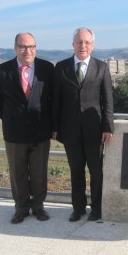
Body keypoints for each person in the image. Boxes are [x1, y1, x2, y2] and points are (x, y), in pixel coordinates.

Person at [0, 32, 54, 224]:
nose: (28, 51)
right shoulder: (2, 70)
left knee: (39, 171)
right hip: (14, 132)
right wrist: (10, 117)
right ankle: (21, 208)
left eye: (32, 46)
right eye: (23, 47)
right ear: (15, 48)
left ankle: (38, 206)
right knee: (17, 173)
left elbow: (53, 99)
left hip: (41, 131)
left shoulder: (47, 69)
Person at [52, 27, 114, 222]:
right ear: (73, 44)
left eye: (87, 42)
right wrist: (54, 128)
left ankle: (97, 208)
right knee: (76, 172)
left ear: (93, 45)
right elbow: (55, 101)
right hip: (70, 132)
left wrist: (108, 127)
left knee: (96, 172)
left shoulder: (102, 67)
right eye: (79, 42)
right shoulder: (61, 68)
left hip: (95, 131)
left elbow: (108, 101)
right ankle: (78, 209)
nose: (83, 46)